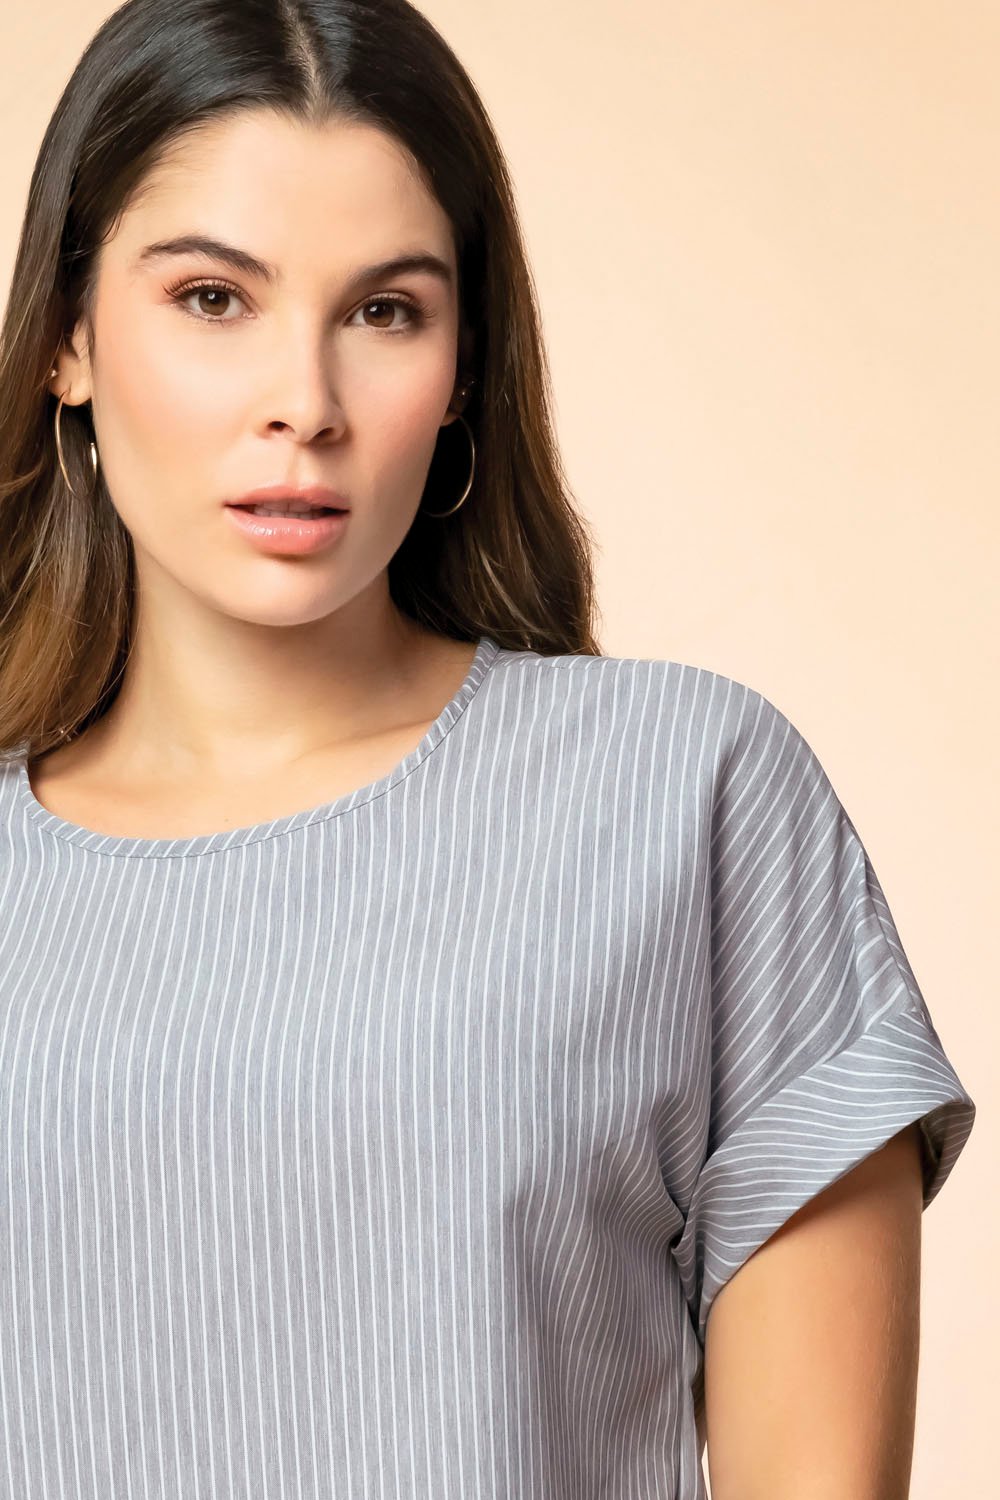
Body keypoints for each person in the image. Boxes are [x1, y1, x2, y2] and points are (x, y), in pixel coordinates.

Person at [0, 2, 975, 1497]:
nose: (304, 405)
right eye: (212, 298)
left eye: (385, 311)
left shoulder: (686, 799)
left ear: (463, 364)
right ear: (69, 336)